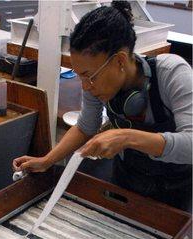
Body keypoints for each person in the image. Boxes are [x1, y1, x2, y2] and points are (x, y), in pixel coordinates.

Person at [13, 1, 192, 211]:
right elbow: (85, 127)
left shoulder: (172, 73)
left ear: (120, 61)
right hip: (127, 179)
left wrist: (126, 137)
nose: (85, 87)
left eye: (89, 77)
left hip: (174, 189)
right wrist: (46, 161)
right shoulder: (97, 85)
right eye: (80, 77)